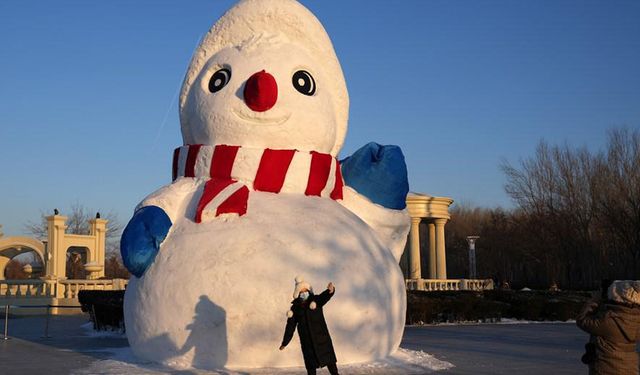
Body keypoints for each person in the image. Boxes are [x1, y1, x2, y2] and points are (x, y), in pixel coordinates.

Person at [576, 280, 640, 375]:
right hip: (630, 368)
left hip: (606, 368)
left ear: (618, 298)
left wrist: (596, 298)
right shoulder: (636, 320)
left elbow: (582, 320)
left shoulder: (609, 321)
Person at [280, 276, 339, 375]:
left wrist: (330, 291)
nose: (303, 293)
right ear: (297, 294)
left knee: (330, 361)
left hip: (322, 339)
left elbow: (324, 296)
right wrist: (285, 342)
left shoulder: (316, 301)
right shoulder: (295, 309)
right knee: (311, 366)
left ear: (309, 291)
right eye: (301, 292)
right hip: (307, 342)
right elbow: (290, 327)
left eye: (305, 290)